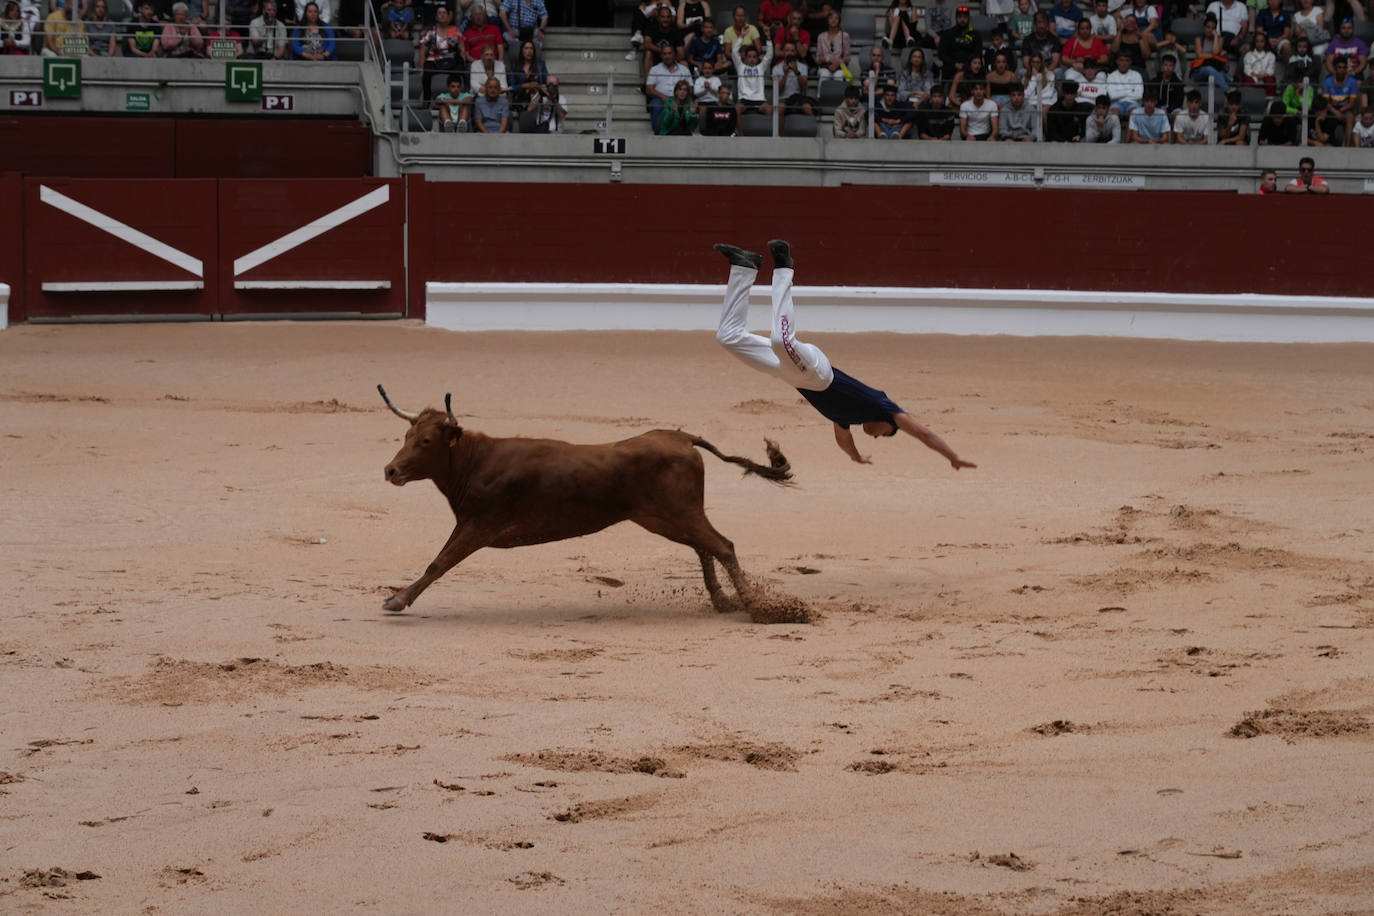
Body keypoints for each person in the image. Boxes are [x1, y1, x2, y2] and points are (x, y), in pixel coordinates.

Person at [713, 240, 977, 470]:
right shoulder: (882, 405)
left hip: (791, 376)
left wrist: (856, 457)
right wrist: (952, 457)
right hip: (817, 372)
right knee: (780, 340)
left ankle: (743, 268)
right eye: (886, 435)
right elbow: (923, 434)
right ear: (889, 424)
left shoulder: (847, 418)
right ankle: (784, 267)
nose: (877, 437)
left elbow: (843, 440)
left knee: (729, 337)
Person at [420, 6, 463, 102]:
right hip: (434, 60)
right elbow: (423, 51)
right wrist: (421, 69)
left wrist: (462, 60)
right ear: (436, 17)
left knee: (460, 70)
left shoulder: (454, 31)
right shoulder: (431, 32)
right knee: (426, 71)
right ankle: (427, 100)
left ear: (448, 16)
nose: (442, 15)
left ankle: (457, 99)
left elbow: (462, 50)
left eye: (444, 13)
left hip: (451, 60)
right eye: (440, 13)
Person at [646, 42, 692, 131]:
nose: (667, 56)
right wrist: (664, 97)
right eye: (664, 54)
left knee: (689, 104)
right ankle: (659, 135)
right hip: (661, 99)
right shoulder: (655, 69)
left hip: (680, 100)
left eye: (670, 53)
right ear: (661, 56)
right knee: (655, 104)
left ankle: (684, 134)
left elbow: (690, 88)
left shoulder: (684, 69)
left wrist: (679, 99)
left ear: (674, 54)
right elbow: (649, 89)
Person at [938, 4, 982, 81]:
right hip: (951, 67)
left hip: (970, 68)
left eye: (965, 17)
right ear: (956, 18)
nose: (962, 20)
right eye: (960, 17)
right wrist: (955, 64)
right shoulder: (947, 34)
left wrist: (968, 65)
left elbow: (978, 53)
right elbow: (941, 54)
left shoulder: (975, 35)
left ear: (968, 18)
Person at [732, 37, 773, 118]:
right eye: (749, 56)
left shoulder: (761, 67)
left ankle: (767, 131)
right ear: (745, 57)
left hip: (759, 99)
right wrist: (741, 37)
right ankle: (740, 131)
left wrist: (768, 39)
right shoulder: (740, 67)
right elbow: (734, 52)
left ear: (757, 58)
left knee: (769, 109)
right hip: (744, 99)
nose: (752, 59)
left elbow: (769, 56)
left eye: (754, 57)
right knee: (736, 109)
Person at [1323, 55, 1361, 140]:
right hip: (1331, 108)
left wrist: (1339, 111)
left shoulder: (1352, 81)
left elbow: (1352, 104)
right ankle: (1326, 141)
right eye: (1339, 67)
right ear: (1335, 68)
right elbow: (1325, 102)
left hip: (1345, 108)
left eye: (1344, 68)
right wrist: (1335, 111)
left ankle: (1347, 146)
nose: (1342, 70)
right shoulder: (1327, 81)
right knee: (1325, 114)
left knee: (1350, 117)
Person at [815, 9, 849, 80]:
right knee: (825, 74)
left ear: (839, 21)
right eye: (831, 18)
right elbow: (819, 58)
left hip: (839, 67)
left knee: (839, 75)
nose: (833, 20)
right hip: (825, 66)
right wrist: (829, 60)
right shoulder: (821, 36)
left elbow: (847, 57)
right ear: (827, 20)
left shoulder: (845, 36)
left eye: (836, 18)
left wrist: (837, 63)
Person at [1243, 28, 1278, 94]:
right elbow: (1247, 69)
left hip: (1265, 76)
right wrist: (1255, 75)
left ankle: (1269, 101)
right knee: (1247, 80)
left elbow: (1271, 70)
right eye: (1257, 41)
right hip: (1253, 77)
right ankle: (1249, 100)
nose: (1259, 44)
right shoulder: (1249, 54)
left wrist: (1263, 75)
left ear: (1265, 42)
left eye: (1262, 41)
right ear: (1254, 42)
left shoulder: (1271, 55)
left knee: (1270, 80)